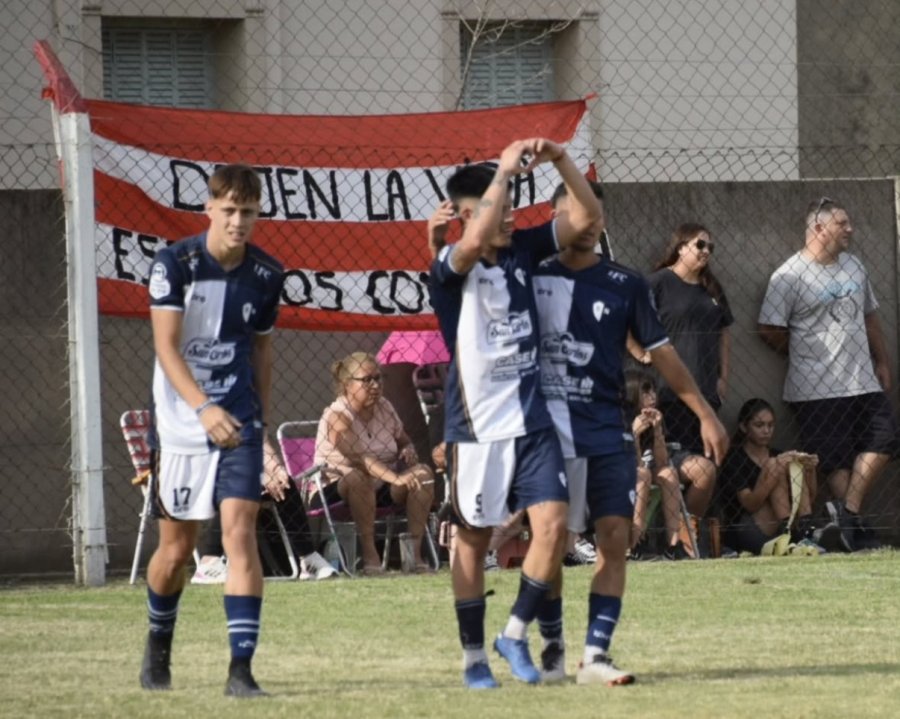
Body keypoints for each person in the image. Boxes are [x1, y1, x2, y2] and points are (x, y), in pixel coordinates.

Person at [531, 181, 728, 685]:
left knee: (614, 537)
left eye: (593, 213)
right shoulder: (530, 276)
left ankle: (595, 655)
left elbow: (662, 353)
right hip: (549, 430)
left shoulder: (626, 282)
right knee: (552, 540)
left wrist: (704, 411)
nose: (585, 221)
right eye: (573, 212)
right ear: (554, 217)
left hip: (606, 427)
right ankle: (552, 649)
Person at [428, 138, 601, 689]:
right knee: (473, 541)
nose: (507, 220)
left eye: (509, 210)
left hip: (531, 422)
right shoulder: (450, 265)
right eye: (494, 212)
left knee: (552, 530)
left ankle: (515, 632)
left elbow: (587, 216)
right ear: (463, 216)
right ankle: (474, 657)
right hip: (477, 429)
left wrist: (559, 160)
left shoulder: (524, 248)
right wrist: (504, 170)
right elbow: (473, 240)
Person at [140, 163, 284, 697]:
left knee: (239, 534)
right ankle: (157, 646)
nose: (238, 221)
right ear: (209, 208)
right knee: (176, 551)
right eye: (229, 210)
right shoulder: (174, 263)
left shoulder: (269, 274)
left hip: (239, 421)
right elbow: (165, 348)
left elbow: (263, 350)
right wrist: (202, 408)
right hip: (182, 422)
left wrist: (259, 425)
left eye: (248, 212)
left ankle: (240, 672)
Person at [758, 197, 897, 552]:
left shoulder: (854, 267)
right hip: (814, 387)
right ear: (819, 228)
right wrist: (804, 350)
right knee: (833, 458)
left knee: (884, 437)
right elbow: (769, 327)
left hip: (862, 379)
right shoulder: (789, 275)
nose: (850, 229)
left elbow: (869, 317)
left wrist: (881, 360)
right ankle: (851, 529)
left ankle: (846, 512)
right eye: (842, 223)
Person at [313, 352, 435, 574]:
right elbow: (360, 459)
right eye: (366, 380)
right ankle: (371, 558)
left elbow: (403, 439)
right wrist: (396, 477)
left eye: (378, 378)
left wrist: (407, 449)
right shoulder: (337, 416)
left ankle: (414, 557)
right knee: (359, 477)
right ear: (346, 384)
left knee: (423, 474)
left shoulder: (385, 408)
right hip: (338, 488)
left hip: (381, 485)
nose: (375, 385)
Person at [645, 223, 732, 517]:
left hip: (707, 392)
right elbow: (630, 323)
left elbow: (724, 333)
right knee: (682, 465)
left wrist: (723, 377)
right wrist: (640, 352)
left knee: (711, 464)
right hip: (670, 394)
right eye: (700, 245)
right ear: (680, 247)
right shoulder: (658, 283)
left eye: (710, 247)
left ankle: (697, 531)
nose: (706, 252)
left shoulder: (712, 288)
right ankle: (680, 534)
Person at [192, 443, 338, 583]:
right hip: (206, 471)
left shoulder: (255, 418)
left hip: (245, 470)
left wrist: (277, 470)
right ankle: (208, 563)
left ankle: (308, 560)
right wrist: (262, 475)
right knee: (240, 484)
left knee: (285, 485)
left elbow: (262, 441)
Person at [718, 398, 828, 555]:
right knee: (774, 465)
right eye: (759, 425)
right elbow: (750, 504)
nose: (766, 431)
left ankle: (804, 534)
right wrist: (774, 472)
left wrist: (809, 470)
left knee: (792, 464)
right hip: (748, 528)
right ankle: (794, 536)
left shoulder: (777, 454)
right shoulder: (734, 458)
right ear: (744, 427)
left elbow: (809, 499)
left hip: (784, 524)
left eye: (770, 425)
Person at [623, 368, 691, 561]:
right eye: (646, 392)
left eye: (653, 391)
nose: (652, 397)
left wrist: (658, 430)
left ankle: (673, 545)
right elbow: (633, 465)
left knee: (669, 473)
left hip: (644, 471)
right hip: (623, 473)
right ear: (632, 395)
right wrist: (634, 435)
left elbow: (661, 462)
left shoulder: (653, 417)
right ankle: (635, 544)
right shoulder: (623, 420)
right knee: (642, 474)